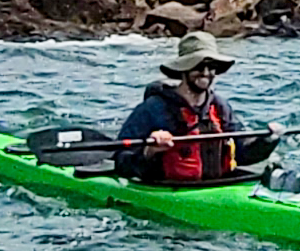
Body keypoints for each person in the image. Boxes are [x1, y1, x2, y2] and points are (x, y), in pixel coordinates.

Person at [118, 33, 276, 186]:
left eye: (211, 66)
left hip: (218, 187)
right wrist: (149, 150)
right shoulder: (153, 109)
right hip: (169, 190)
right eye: (199, 66)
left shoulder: (221, 107)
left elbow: (242, 154)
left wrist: (267, 141)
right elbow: (121, 160)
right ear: (183, 69)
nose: (206, 73)